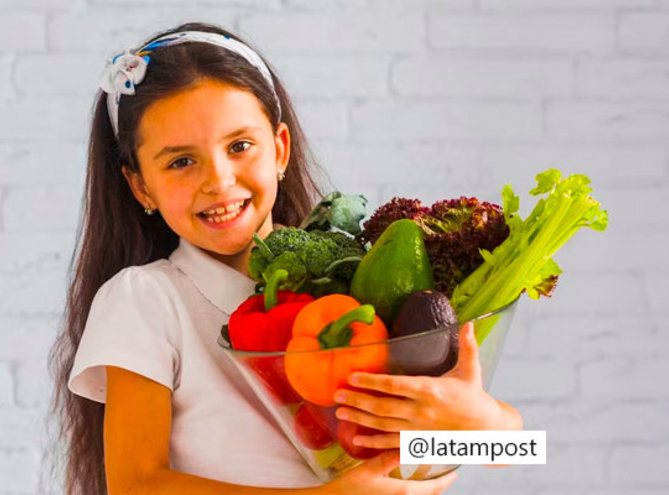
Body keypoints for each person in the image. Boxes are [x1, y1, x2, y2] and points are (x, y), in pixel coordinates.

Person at [47, 22, 522, 495]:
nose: (219, 180)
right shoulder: (146, 299)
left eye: (239, 146)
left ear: (279, 149)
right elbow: (136, 484)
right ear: (140, 186)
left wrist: (484, 423)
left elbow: (471, 451)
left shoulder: (351, 284)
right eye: (181, 161)